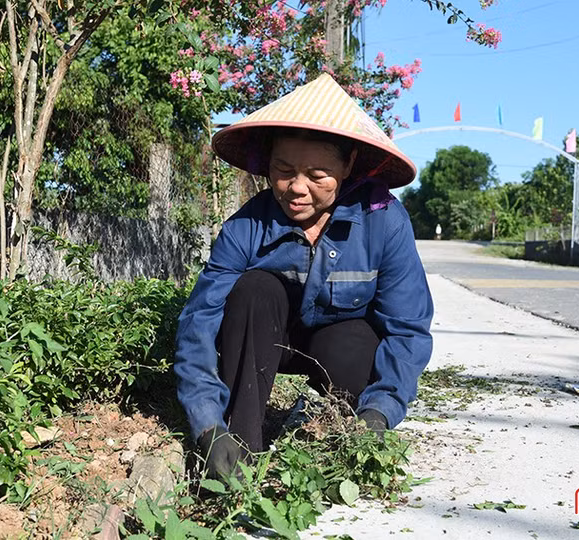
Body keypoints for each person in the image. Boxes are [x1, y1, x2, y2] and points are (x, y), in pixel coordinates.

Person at [174, 74, 434, 480]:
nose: (297, 188)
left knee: (354, 347)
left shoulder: (384, 222)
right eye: (284, 169)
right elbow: (199, 323)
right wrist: (208, 425)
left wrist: (381, 412)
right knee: (254, 289)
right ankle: (240, 451)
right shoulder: (246, 227)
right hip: (265, 342)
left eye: (317, 175)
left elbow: (408, 330)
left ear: (348, 166)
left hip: (338, 345)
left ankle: (341, 428)